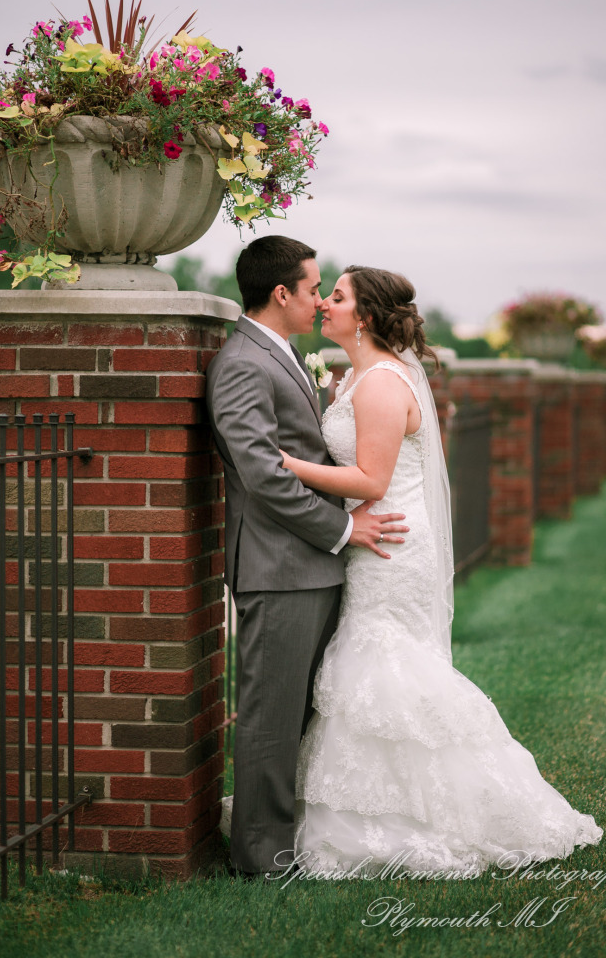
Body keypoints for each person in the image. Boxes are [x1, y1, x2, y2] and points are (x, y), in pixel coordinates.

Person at [280, 264, 604, 875]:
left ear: (366, 316)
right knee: (371, 663)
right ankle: (370, 807)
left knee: (382, 663)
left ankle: (415, 818)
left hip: (389, 542)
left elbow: (372, 480)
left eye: (338, 296)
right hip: (373, 535)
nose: (324, 303)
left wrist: (287, 465)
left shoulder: (379, 384)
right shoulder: (351, 378)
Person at [205, 237, 409, 877]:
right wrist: (343, 530)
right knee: (270, 716)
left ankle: (286, 835)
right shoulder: (243, 361)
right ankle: (262, 857)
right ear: (282, 293)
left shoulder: (284, 353)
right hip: (280, 568)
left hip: (308, 565)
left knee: (300, 714)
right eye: (315, 287)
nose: (320, 299)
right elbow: (263, 474)